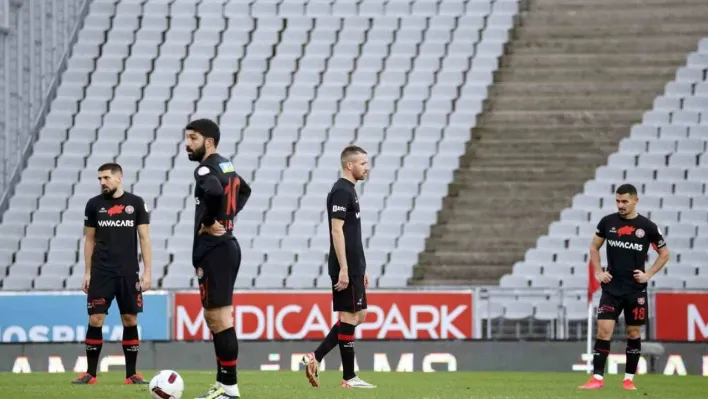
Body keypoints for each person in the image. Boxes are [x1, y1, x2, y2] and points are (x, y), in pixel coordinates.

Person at [579, 183, 669, 390]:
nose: (620, 205)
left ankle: (628, 379)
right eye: (618, 201)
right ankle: (597, 379)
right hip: (611, 288)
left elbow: (664, 254)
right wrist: (599, 272)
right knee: (603, 332)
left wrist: (648, 274)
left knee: (633, 333)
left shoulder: (647, 227)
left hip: (635, 290)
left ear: (635, 200)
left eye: (625, 201)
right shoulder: (607, 222)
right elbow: (594, 246)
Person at [185, 119, 251, 399]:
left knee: (219, 318)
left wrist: (212, 220)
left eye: (193, 138)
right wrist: (227, 217)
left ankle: (230, 389)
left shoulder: (205, 168)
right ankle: (222, 384)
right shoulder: (227, 164)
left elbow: (212, 191)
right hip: (225, 246)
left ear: (208, 141)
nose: (187, 144)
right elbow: (244, 189)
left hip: (215, 248)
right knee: (216, 318)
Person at [301, 145, 376, 389]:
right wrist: (345, 268)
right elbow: (337, 230)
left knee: (359, 315)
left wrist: (361, 267)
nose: (367, 167)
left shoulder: (350, 191)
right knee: (349, 316)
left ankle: (316, 357)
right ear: (349, 165)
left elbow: (353, 234)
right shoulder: (341, 191)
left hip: (355, 264)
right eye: (363, 163)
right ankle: (349, 377)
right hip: (346, 265)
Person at [71, 163, 152, 385]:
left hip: (128, 273)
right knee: (95, 319)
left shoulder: (135, 203)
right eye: (99, 179)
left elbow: (144, 238)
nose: (102, 182)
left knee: (129, 319)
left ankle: (131, 374)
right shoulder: (94, 205)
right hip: (101, 272)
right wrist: (87, 272)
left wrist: (147, 272)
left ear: (119, 178)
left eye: (106, 178)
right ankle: (90, 374)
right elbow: (89, 239)